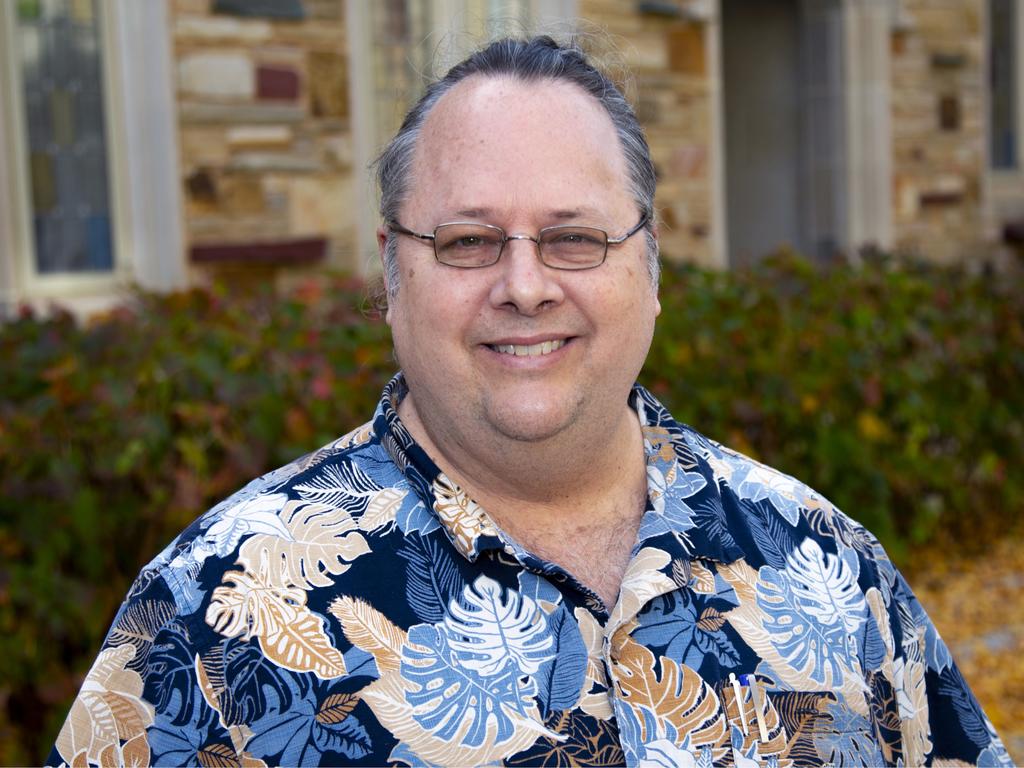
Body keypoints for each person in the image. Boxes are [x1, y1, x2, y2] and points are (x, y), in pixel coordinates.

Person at [49, 36, 1010, 768]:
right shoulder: (210, 615)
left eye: (574, 238)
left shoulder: (830, 568)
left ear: (650, 265)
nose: (524, 285)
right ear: (391, 273)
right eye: (468, 240)